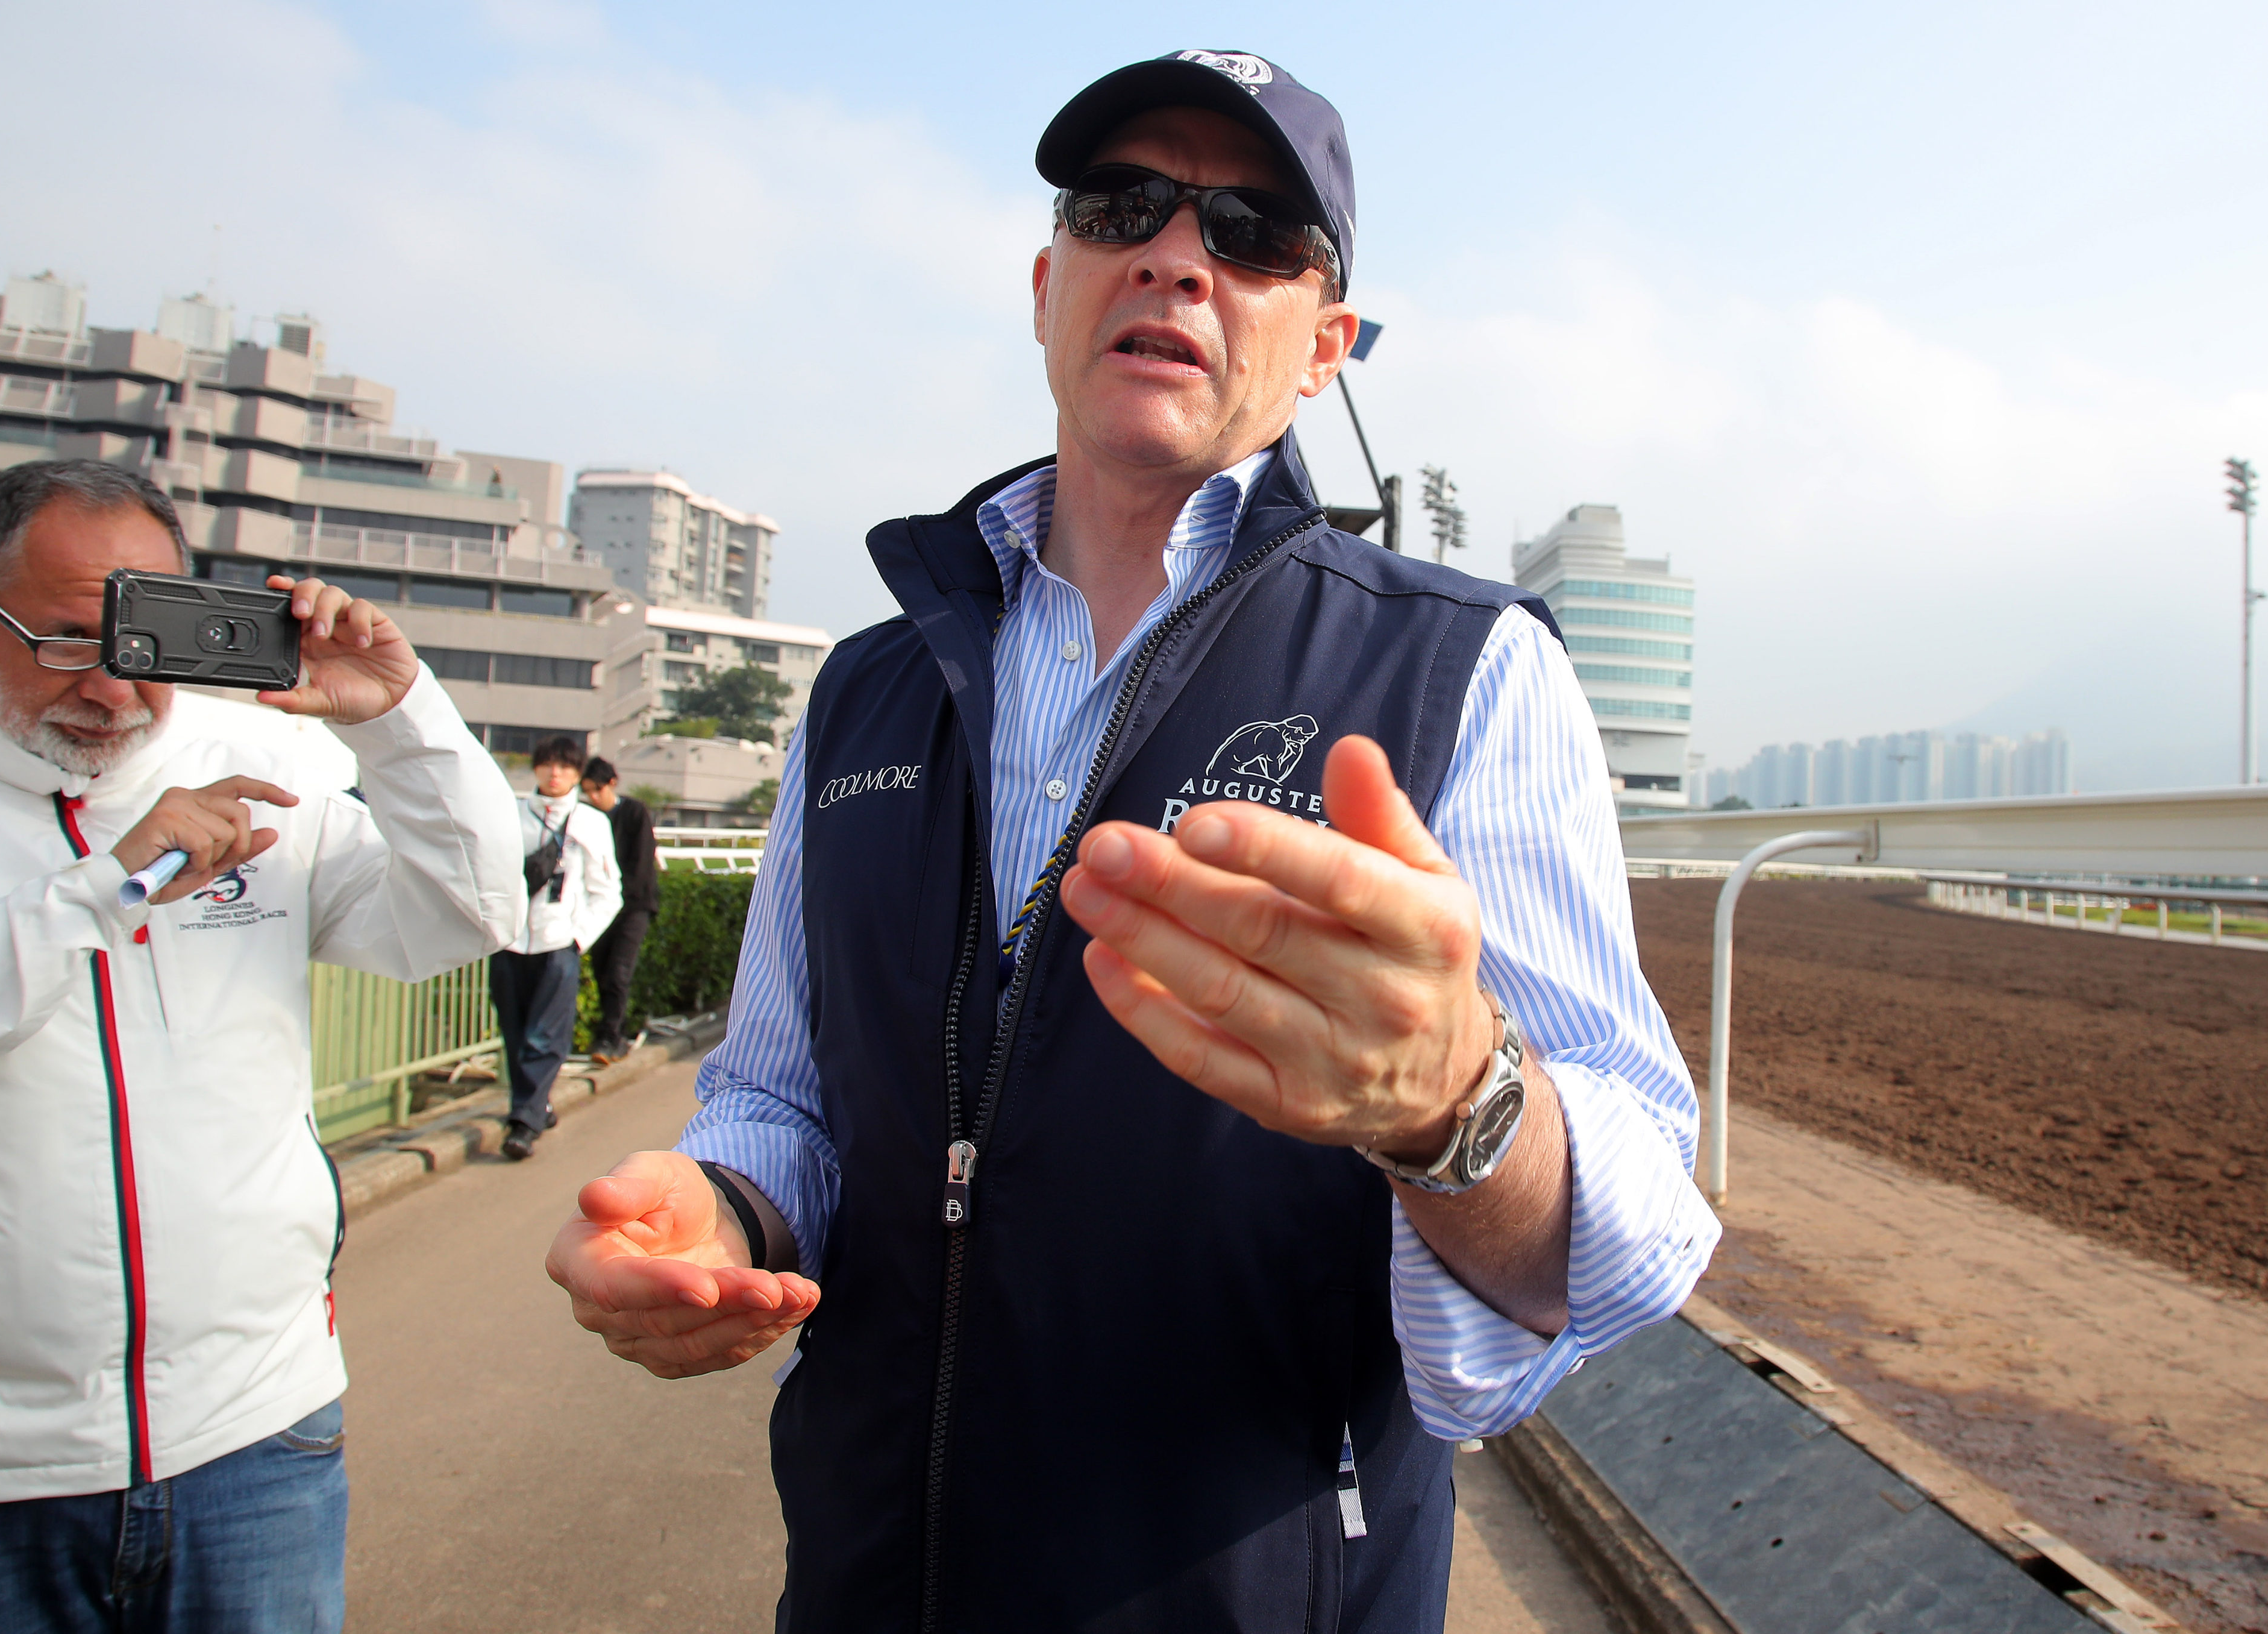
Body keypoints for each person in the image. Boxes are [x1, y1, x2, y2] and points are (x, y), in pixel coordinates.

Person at [548, 51, 1719, 1631]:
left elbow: (1620, 1237)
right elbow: (776, 1092)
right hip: (864, 1576)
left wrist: (1454, 1097)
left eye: (1246, 229)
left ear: (1325, 349)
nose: (1173, 253)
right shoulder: (866, 689)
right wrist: (719, 1211)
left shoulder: (1459, 672)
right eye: (1121, 207)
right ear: (1050, 285)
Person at [0, 459, 524, 1632]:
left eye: (145, 640)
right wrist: (107, 887)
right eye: (69, 638)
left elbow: (478, 909)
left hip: (256, 1431)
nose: (114, 688)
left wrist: (401, 716)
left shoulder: (256, 795)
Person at [494, 735, 619, 1160]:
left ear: (577, 774)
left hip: (558, 942)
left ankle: (522, 1123)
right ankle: (535, 1105)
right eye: (548, 765)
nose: (555, 773)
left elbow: (608, 891)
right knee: (515, 1033)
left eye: (565, 767)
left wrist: (576, 938)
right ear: (535, 768)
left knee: (545, 1035)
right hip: (509, 942)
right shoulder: (509, 815)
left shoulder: (590, 823)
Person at [579, 756, 660, 1063]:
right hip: (601, 909)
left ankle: (608, 1038)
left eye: (597, 789)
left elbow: (641, 863)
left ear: (612, 783)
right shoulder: (587, 816)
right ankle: (616, 1032)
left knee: (618, 972)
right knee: (602, 972)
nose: (594, 797)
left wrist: (619, 898)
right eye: (588, 791)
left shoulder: (634, 812)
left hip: (634, 907)